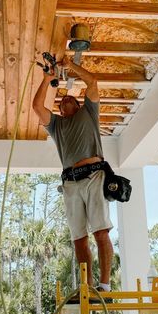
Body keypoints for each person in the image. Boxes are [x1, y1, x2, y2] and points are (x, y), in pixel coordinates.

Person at [33, 56, 114, 296]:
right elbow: (38, 107)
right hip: (70, 184)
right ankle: (86, 287)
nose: (66, 98)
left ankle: (105, 285)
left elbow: (93, 82)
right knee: (79, 239)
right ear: (59, 109)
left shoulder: (89, 111)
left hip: (94, 177)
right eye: (61, 99)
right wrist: (47, 79)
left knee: (100, 232)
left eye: (71, 97)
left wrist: (71, 66)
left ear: (79, 104)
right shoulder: (56, 125)